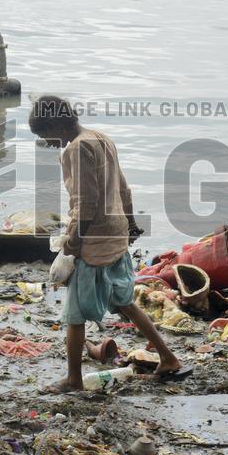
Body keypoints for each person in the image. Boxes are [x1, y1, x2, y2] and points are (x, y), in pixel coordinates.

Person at [28, 95, 190, 392]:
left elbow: (85, 204)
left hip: (95, 239)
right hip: (115, 232)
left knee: (75, 314)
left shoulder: (75, 150)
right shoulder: (101, 138)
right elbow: (123, 188)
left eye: (44, 136)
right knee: (124, 300)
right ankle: (168, 357)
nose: (46, 143)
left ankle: (74, 379)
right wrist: (130, 224)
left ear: (54, 124)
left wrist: (73, 244)